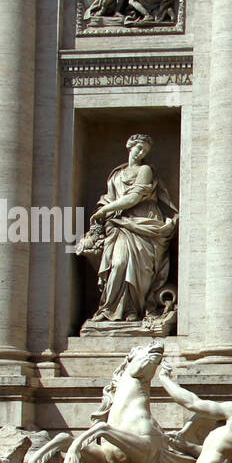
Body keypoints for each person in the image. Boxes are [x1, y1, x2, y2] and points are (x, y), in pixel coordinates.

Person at [78, 134, 178, 330]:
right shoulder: (116, 175)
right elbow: (109, 198)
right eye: (139, 148)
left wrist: (106, 210)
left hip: (143, 222)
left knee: (139, 269)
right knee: (119, 263)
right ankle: (109, 309)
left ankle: (133, 310)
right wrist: (104, 209)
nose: (141, 153)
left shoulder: (145, 170)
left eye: (145, 151)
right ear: (129, 146)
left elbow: (134, 197)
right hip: (119, 225)